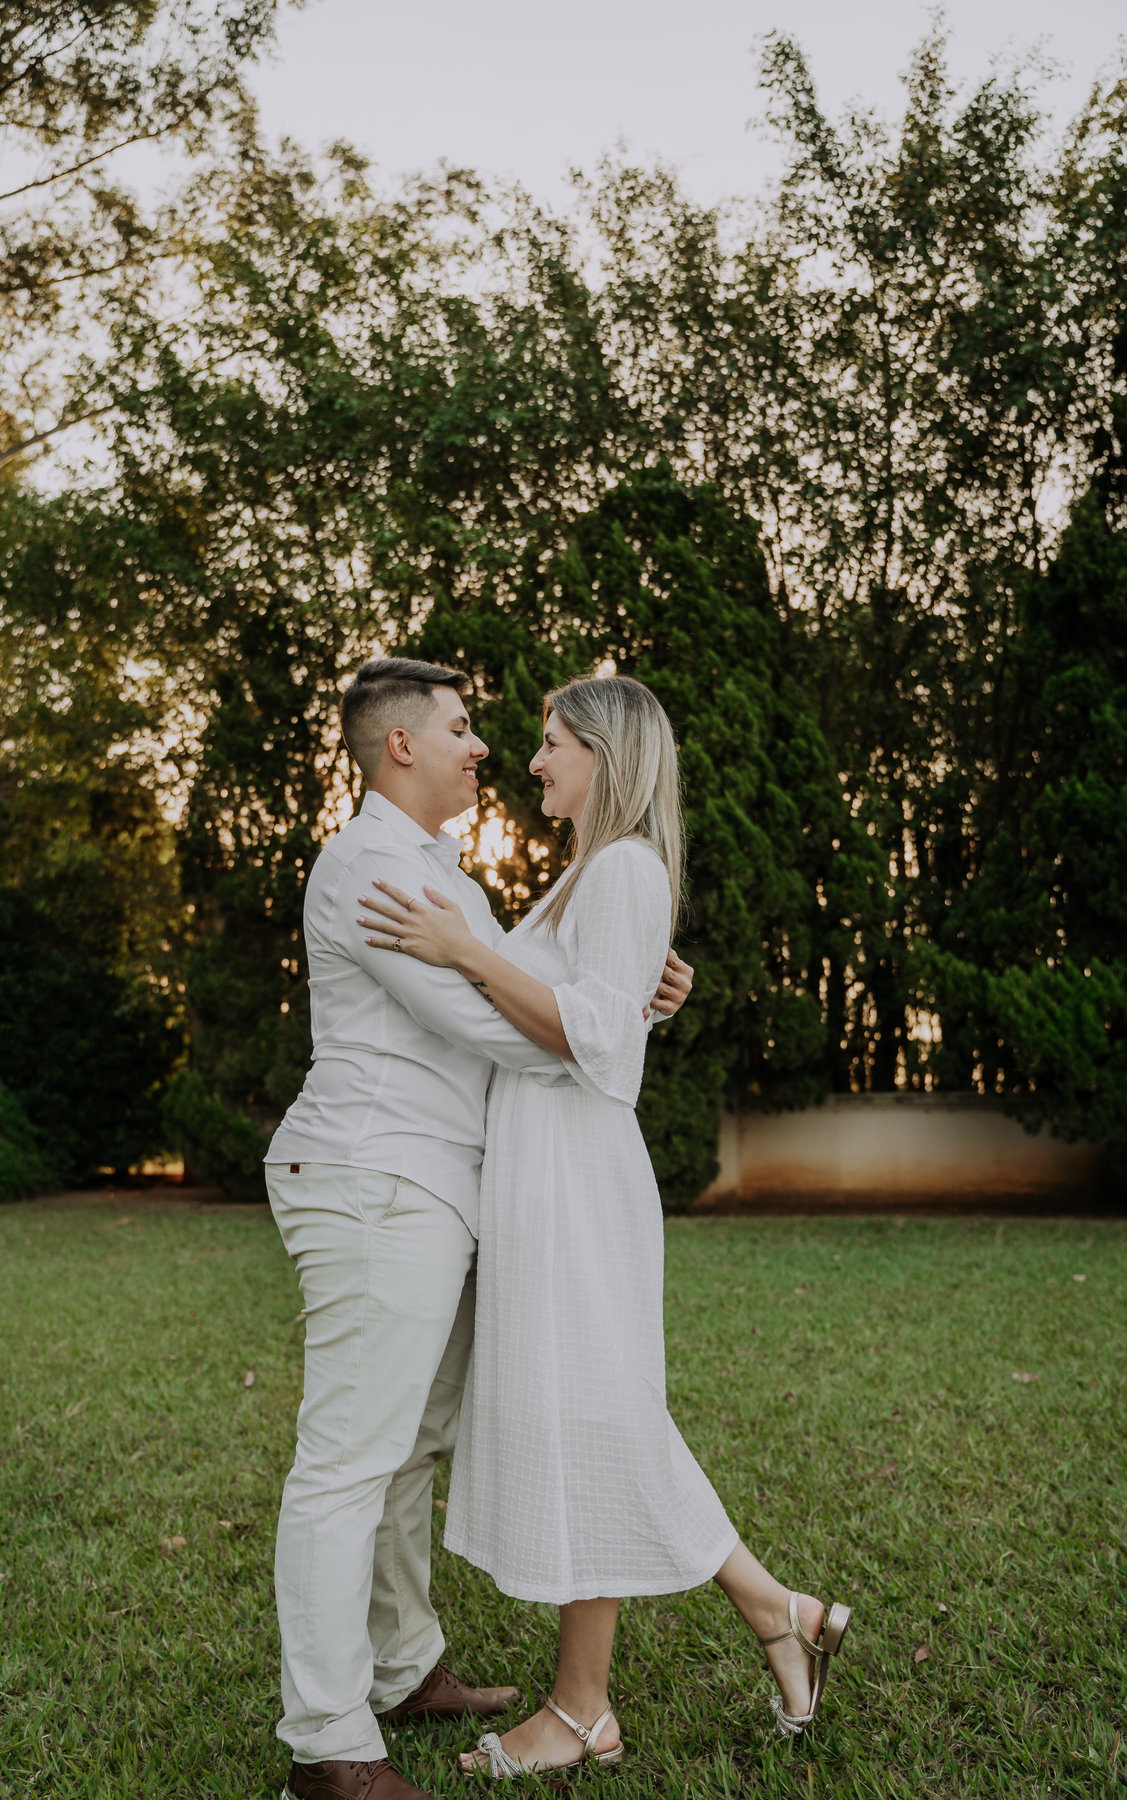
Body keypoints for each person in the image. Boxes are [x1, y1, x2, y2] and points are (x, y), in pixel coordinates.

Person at [356, 674, 851, 1779]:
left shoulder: (623, 867)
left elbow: (597, 1049)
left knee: (595, 1416)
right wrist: (625, 995)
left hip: (574, 1179)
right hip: (546, 1172)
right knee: (596, 1416)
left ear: (606, 755)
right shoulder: (591, 874)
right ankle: (767, 1618)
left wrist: (467, 951)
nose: (533, 761)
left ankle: (591, 1708)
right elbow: (596, 1013)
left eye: (552, 743)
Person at [263, 658, 693, 1800]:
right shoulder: (370, 870)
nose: (486, 747)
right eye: (462, 727)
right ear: (401, 744)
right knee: (347, 1462)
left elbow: (536, 995)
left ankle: (406, 1669)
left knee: (411, 1447)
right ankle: (328, 1746)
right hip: (376, 1177)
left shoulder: (444, 873)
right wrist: (603, 1021)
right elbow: (502, 1028)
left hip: (438, 1188)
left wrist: (624, 997)